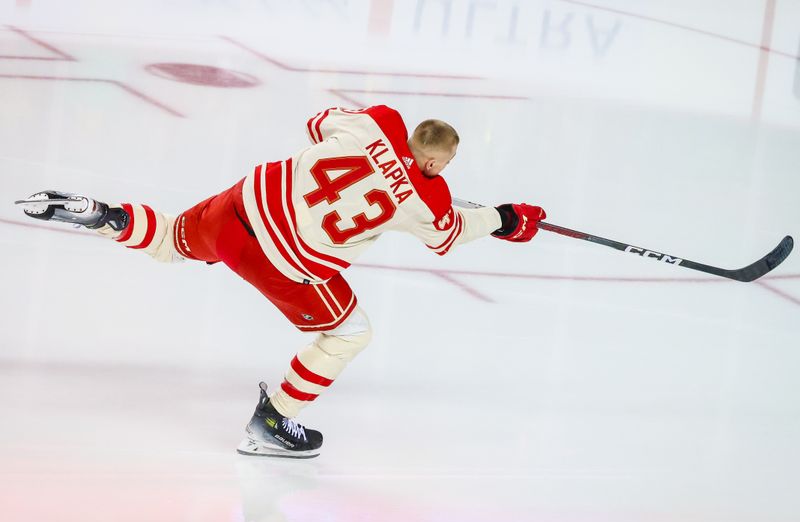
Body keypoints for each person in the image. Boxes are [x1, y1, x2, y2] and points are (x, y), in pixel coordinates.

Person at [16, 105, 546, 458]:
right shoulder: (428, 198)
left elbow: (319, 123)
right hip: (286, 261)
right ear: (434, 160)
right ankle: (274, 422)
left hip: (242, 207)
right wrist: (503, 218)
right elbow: (446, 237)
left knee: (175, 237)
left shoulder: (380, 122)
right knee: (350, 333)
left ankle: (108, 216)